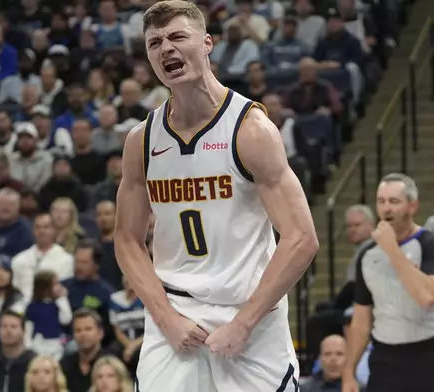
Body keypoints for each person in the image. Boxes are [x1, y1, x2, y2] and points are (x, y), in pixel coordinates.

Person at [114, 1, 318, 391]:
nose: (166, 49)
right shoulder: (141, 140)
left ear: (207, 43)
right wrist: (165, 318)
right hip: (174, 311)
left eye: (177, 37)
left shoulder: (250, 129)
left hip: (248, 311)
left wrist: (245, 323)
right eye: (154, 43)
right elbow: (126, 239)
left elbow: (301, 238)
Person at [342, 173, 434, 392]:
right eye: (381, 201)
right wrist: (349, 372)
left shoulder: (431, 244)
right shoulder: (367, 255)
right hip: (386, 359)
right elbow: (361, 320)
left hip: (431, 355)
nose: (386, 208)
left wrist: (392, 249)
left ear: (412, 206)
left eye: (394, 201)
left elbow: (426, 297)